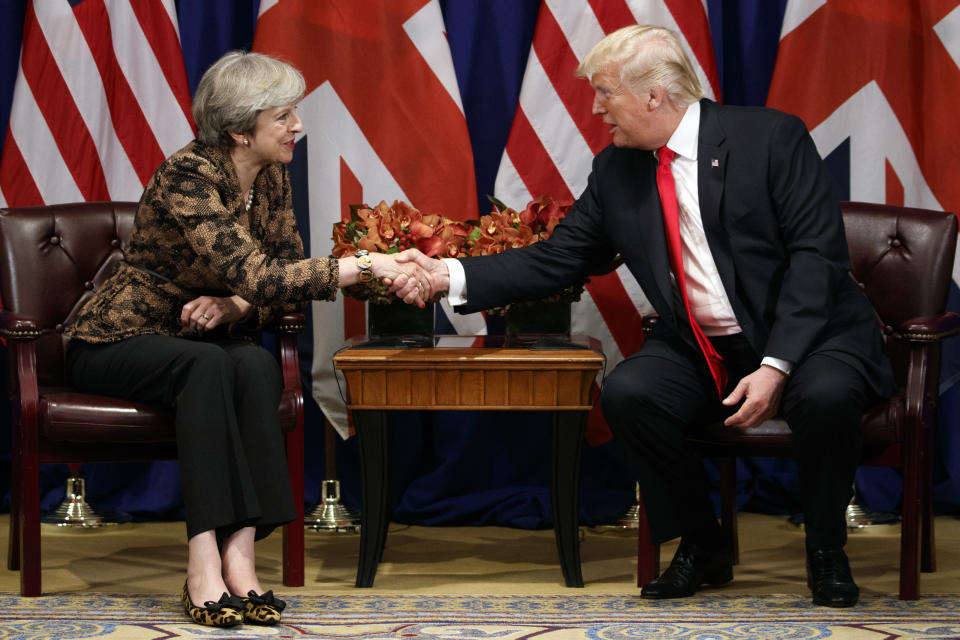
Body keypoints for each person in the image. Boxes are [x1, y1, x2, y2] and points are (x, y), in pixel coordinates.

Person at [392, 25, 896, 608]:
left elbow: (817, 259)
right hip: (703, 345)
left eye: (605, 92)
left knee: (828, 396)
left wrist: (777, 364)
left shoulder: (772, 138)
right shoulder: (617, 170)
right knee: (631, 391)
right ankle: (703, 544)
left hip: (811, 337)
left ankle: (827, 550)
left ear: (654, 95)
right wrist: (444, 275)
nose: (596, 107)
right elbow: (560, 257)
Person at [65, 51, 430, 628]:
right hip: (119, 336)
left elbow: (274, 281)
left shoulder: (271, 175)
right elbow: (265, 276)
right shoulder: (187, 175)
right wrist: (368, 265)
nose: (297, 127)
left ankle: (242, 556)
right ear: (239, 130)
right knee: (208, 367)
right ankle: (202, 560)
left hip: (201, 339)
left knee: (257, 368)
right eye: (283, 116)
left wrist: (235, 303)